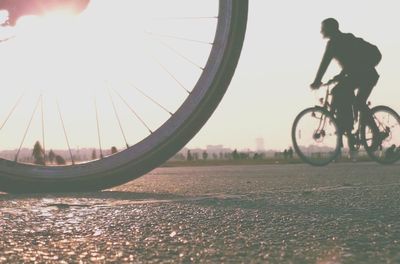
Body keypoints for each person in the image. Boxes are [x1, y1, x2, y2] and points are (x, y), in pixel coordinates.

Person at [310, 18, 380, 151]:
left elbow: (326, 64)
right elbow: (350, 64)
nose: (321, 31)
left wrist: (317, 81)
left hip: (367, 75)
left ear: (331, 29)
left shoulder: (338, 43)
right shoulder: (343, 40)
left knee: (357, 102)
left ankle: (374, 134)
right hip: (358, 75)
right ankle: (346, 128)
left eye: (323, 28)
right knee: (340, 92)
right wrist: (340, 76)